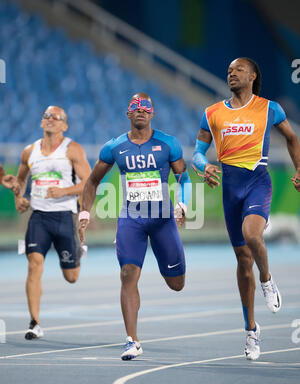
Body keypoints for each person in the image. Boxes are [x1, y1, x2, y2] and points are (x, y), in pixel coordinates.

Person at [193, 57, 300, 361]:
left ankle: (266, 279)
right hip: (230, 190)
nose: (232, 74)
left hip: (258, 183)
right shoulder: (212, 113)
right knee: (242, 262)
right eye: (229, 71)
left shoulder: (269, 108)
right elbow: (198, 152)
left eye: (238, 70)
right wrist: (204, 166)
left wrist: (299, 168)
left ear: (253, 75)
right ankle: (251, 330)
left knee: (251, 235)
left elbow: (292, 138)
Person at [79, 93, 191, 360]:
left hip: (163, 220)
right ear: (128, 113)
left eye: (146, 107)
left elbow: (183, 178)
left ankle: (169, 274)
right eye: (135, 107)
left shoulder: (168, 144)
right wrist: (85, 211)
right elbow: (92, 181)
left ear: (152, 114)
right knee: (128, 274)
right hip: (131, 218)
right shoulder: (114, 147)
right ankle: (132, 340)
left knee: (177, 284)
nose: (141, 110)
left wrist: (183, 205)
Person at [15, 105, 91, 340]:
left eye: (55, 117)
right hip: (38, 218)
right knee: (34, 265)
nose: (50, 119)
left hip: (64, 217)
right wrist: (20, 198)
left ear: (64, 125)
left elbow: (89, 183)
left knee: (72, 277)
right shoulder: (30, 151)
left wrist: (64, 191)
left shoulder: (73, 150)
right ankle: (34, 322)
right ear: (41, 123)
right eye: (46, 116)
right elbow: (20, 181)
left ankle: (77, 251)